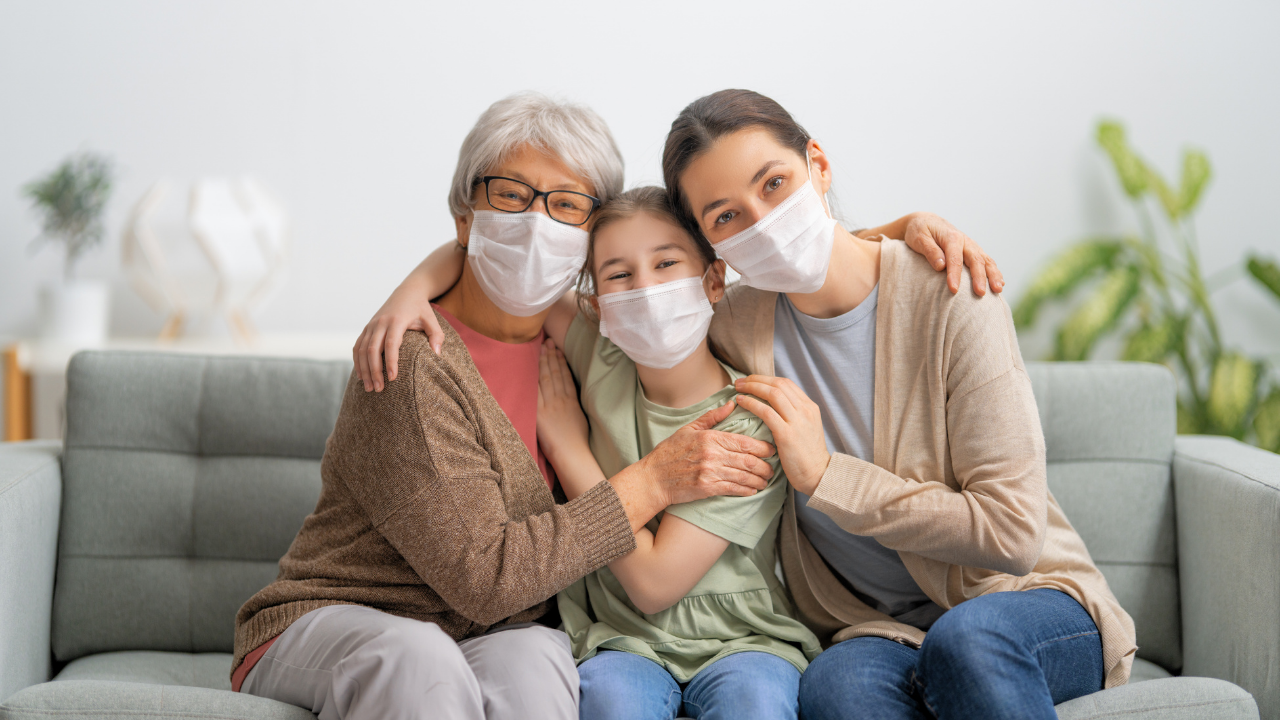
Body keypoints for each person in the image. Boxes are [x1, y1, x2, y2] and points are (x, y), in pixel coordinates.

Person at [231, 93, 784, 720]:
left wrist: (891, 234)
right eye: (511, 195)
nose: (537, 224)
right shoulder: (413, 360)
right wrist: (654, 479)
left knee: (539, 666)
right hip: (356, 616)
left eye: (567, 204)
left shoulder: (592, 339)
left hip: (495, 630)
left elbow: (780, 273)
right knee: (418, 659)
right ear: (466, 216)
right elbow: (484, 576)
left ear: (587, 243)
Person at [663, 89, 1136, 719]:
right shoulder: (732, 326)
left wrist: (828, 478)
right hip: (874, 629)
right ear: (711, 249)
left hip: (1027, 602)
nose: (762, 222)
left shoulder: (954, 294)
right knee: (835, 690)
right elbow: (620, 289)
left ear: (818, 166)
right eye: (726, 217)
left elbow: (1013, 532)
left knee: (967, 641)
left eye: (774, 184)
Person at [534, 186, 821, 720]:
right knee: (614, 702)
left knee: (753, 706)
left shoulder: (751, 417)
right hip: (620, 639)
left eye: (666, 263)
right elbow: (494, 272)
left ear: (713, 281)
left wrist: (567, 447)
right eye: (619, 275)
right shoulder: (600, 356)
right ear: (598, 304)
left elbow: (654, 584)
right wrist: (407, 295)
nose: (644, 288)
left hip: (744, 642)